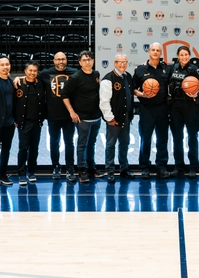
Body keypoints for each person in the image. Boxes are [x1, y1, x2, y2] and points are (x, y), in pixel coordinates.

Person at [61, 50, 103, 183]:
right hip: (83, 118)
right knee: (82, 145)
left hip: (96, 117)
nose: (87, 62)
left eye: (89, 59)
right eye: (84, 60)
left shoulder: (96, 74)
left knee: (92, 144)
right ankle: (82, 170)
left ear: (93, 61)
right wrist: (72, 112)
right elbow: (64, 95)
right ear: (80, 62)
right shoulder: (76, 77)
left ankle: (91, 168)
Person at [36, 52, 78, 182]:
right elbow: (31, 75)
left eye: (63, 59)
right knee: (54, 143)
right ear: (54, 61)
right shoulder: (46, 73)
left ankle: (70, 168)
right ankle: (55, 167)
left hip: (69, 115)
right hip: (53, 116)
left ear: (66, 60)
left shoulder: (74, 72)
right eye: (58, 59)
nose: (61, 62)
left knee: (69, 143)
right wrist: (18, 78)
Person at [133, 42, 172, 179]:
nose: (155, 52)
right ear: (148, 52)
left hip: (162, 108)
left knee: (162, 139)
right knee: (145, 139)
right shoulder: (140, 70)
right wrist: (141, 94)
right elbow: (133, 88)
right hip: (146, 108)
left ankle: (161, 166)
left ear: (160, 53)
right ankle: (144, 166)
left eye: (158, 50)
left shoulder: (167, 69)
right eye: (153, 50)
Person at [169, 45, 199, 179]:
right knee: (177, 137)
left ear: (189, 56)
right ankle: (179, 166)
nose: (184, 57)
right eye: (181, 55)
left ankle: (193, 166)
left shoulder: (194, 69)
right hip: (176, 106)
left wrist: (196, 94)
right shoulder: (172, 68)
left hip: (191, 106)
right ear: (178, 56)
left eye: (186, 55)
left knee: (192, 136)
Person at [99, 53, 135, 184]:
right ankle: (110, 171)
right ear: (115, 63)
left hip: (126, 116)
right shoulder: (108, 79)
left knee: (124, 144)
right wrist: (109, 118)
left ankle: (124, 169)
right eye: (120, 62)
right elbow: (104, 102)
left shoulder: (128, 76)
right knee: (111, 145)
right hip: (114, 119)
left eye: (125, 62)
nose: (122, 64)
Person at [14, 61, 47, 186]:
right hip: (23, 123)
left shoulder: (41, 84)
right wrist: (15, 119)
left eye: (35, 71)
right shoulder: (18, 84)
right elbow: (13, 102)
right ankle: (21, 174)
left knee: (34, 149)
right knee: (23, 148)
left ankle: (31, 172)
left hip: (37, 123)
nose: (32, 73)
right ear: (25, 71)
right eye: (30, 70)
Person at [0, 57, 16, 189]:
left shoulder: (12, 82)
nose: (5, 67)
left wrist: (15, 120)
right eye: (2, 65)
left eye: (7, 64)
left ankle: (3, 175)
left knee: (6, 150)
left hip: (9, 124)